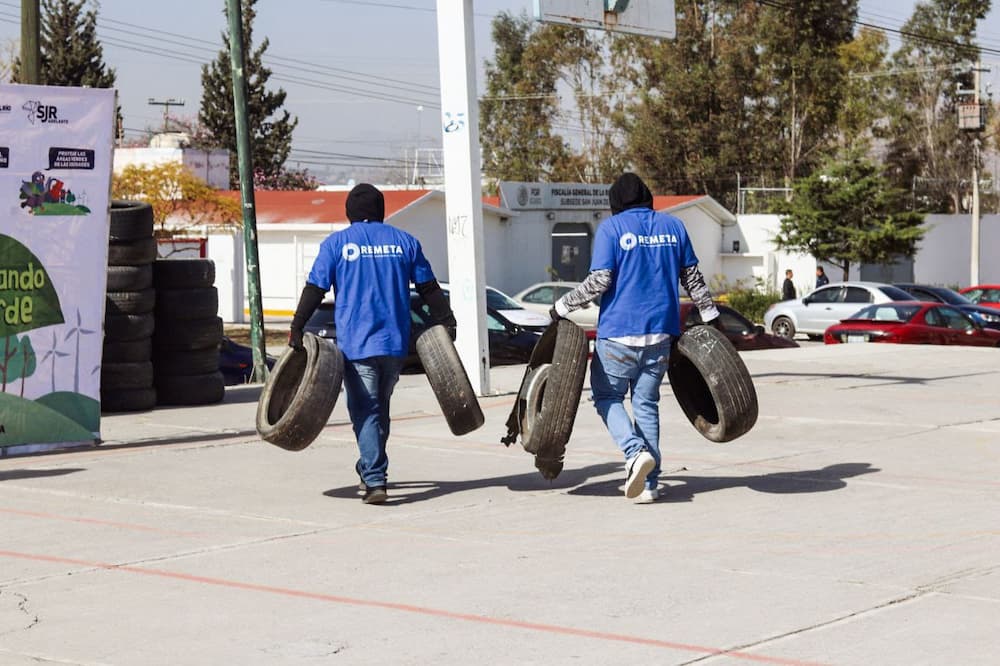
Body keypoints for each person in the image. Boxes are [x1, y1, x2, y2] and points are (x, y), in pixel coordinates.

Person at [550, 172, 720, 504]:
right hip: (660, 334)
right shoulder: (673, 227)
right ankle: (650, 484)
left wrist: (562, 306)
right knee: (645, 405)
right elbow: (693, 277)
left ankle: (633, 452)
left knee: (607, 398)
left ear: (615, 203)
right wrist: (711, 314)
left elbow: (600, 281)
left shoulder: (611, 229)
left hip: (618, 334)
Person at [288, 183, 455, 505]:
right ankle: (369, 465)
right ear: (381, 210)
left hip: (356, 344)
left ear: (349, 212)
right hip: (395, 343)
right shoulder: (404, 241)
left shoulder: (336, 244)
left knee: (366, 411)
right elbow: (430, 288)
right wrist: (448, 321)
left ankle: (376, 479)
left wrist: (297, 326)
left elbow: (315, 288)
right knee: (380, 409)